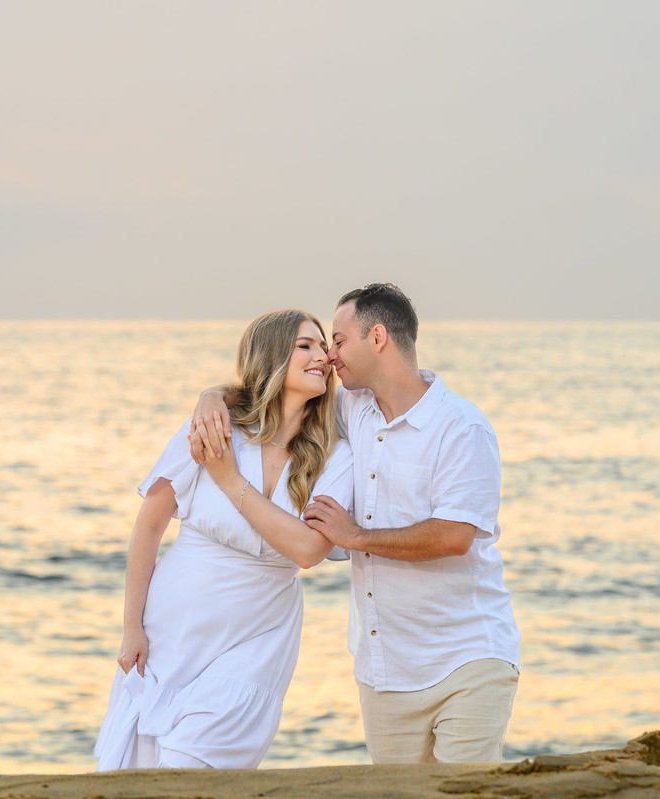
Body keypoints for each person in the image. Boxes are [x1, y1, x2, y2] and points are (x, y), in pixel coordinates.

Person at [191, 283, 520, 764]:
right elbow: (278, 387)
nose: (329, 357)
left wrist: (355, 537)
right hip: (383, 671)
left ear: (379, 337)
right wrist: (211, 396)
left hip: (466, 660)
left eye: (339, 342)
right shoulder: (351, 410)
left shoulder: (460, 427)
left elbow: (455, 535)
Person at [94, 309, 353, 770]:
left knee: (194, 768)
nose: (322, 357)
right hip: (173, 627)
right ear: (272, 356)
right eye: (305, 346)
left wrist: (230, 479)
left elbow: (310, 549)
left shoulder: (333, 454)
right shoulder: (217, 427)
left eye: (323, 345)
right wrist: (131, 625)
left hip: (258, 635)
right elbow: (149, 527)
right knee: (141, 769)